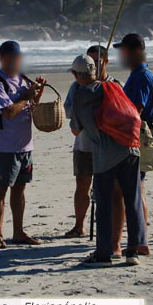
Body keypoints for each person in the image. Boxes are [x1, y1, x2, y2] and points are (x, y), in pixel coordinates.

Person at [69, 54, 147, 266]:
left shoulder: (81, 94)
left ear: (76, 75)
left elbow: (76, 129)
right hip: (131, 147)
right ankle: (133, 251)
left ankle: (104, 254)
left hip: (106, 153)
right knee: (133, 199)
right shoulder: (113, 87)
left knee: (104, 202)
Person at [0, 40, 47, 249]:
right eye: (11, 58)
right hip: (4, 147)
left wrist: (37, 92)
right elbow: (9, 113)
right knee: (0, 190)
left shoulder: (22, 79)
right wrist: (27, 96)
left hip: (25, 146)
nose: (16, 62)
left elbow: (32, 106)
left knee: (20, 190)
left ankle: (18, 233)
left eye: (18, 58)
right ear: (2, 59)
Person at [62, 45, 119, 238]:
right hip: (84, 144)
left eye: (97, 62)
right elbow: (67, 110)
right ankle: (79, 226)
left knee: (109, 189)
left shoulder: (114, 84)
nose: (93, 65)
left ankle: (110, 229)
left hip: (108, 146)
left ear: (106, 62)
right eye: (91, 62)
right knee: (82, 185)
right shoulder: (77, 86)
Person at [112, 33, 153, 256]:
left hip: (135, 139)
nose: (122, 56)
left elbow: (135, 111)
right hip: (135, 138)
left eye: (125, 52)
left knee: (125, 192)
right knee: (137, 190)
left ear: (135, 52)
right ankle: (140, 241)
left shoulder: (141, 77)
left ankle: (132, 242)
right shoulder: (137, 75)